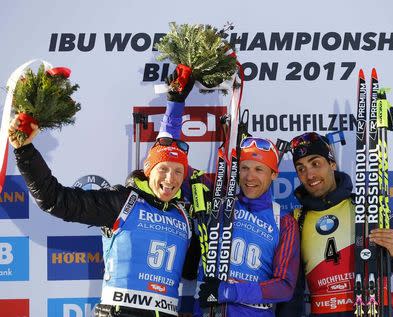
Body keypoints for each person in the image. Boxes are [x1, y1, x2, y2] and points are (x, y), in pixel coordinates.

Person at [9, 77, 199, 317]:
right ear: (149, 169)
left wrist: (175, 100)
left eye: (178, 172)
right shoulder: (123, 202)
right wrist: (25, 151)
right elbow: (55, 200)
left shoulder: (184, 214)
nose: (170, 179)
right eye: (163, 169)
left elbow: (191, 272)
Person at [275, 132, 393, 317]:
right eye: (301, 169)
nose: (309, 174)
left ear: (332, 164)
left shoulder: (369, 207)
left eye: (315, 163)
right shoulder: (296, 219)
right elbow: (292, 292)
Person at [197, 136, 301, 317]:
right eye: (244, 168)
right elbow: (174, 173)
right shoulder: (220, 206)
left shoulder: (284, 222)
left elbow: (284, 286)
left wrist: (229, 292)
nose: (250, 177)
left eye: (259, 169)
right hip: (209, 312)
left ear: (274, 174)